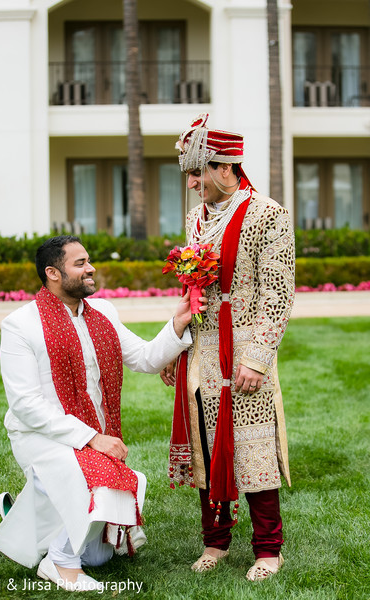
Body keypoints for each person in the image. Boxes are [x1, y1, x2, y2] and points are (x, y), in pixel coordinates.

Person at [0, 235, 204, 592]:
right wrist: (92, 438)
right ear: (52, 273)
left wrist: (178, 323)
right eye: (80, 263)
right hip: (40, 436)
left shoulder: (104, 313)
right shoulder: (21, 324)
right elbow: (25, 405)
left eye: (89, 260)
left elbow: (147, 358)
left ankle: (22, 517)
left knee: (101, 556)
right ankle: (60, 564)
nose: (91, 269)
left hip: (92, 437)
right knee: (107, 479)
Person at [160, 114, 295, 581]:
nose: (192, 183)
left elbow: (276, 294)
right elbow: (193, 290)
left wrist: (257, 357)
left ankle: (268, 549)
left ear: (224, 168)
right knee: (204, 444)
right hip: (202, 352)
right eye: (188, 175)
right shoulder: (197, 218)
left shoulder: (268, 214)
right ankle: (215, 543)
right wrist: (178, 347)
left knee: (252, 448)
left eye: (198, 173)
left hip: (243, 353)